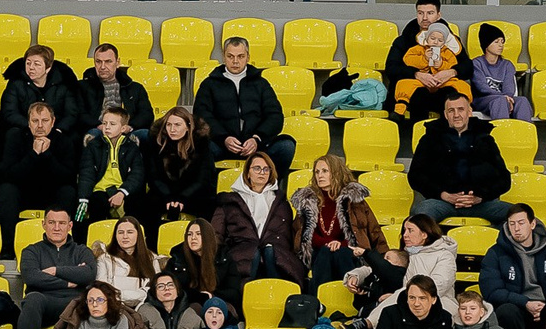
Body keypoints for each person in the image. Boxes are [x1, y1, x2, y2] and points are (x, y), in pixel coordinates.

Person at [408, 89, 513, 225]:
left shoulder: (485, 139)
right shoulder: (430, 139)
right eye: (451, 111)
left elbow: (504, 179)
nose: (456, 115)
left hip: (480, 203)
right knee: (420, 217)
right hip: (441, 202)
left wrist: (480, 196)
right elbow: (415, 176)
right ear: (445, 114)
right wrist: (444, 195)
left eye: (461, 109)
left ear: (469, 112)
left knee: (520, 216)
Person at [0, 101, 80, 241]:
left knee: (68, 192)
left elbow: (68, 178)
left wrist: (47, 155)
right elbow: (8, 175)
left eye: (45, 121)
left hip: (51, 194)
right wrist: (33, 154)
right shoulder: (15, 138)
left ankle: (64, 244)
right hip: (23, 192)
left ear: (53, 122)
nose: (40, 126)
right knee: (6, 190)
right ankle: (7, 245)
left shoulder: (64, 141)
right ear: (28, 122)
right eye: (35, 121)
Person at [194, 37, 293, 173]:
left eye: (240, 56)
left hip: (256, 145)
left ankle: (269, 185)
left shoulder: (261, 84)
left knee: (286, 146)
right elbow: (201, 115)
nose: (235, 61)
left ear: (248, 57)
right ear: (224, 57)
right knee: (197, 146)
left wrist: (257, 139)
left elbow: (275, 116)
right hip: (220, 144)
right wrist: (224, 138)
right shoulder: (209, 84)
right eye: (230, 56)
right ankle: (212, 186)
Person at [213, 152, 299, 301]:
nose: (262, 172)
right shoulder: (229, 202)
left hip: (275, 255)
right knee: (253, 253)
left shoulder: (281, 202)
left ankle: (277, 298)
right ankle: (242, 302)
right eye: (257, 168)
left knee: (270, 252)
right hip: (239, 252)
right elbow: (216, 234)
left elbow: (286, 237)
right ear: (248, 172)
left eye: (266, 169)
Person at [351, 213, 458, 326]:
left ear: (424, 234)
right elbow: (379, 268)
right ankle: (366, 325)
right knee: (395, 304)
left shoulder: (444, 255)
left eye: (410, 230)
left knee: (400, 299)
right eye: (404, 231)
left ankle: (367, 324)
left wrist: (409, 296)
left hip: (440, 301)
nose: (405, 235)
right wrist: (356, 275)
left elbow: (440, 284)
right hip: (409, 300)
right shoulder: (407, 255)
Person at [291, 154, 373, 295]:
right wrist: (328, 243)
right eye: (317, 172)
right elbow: (304, 234)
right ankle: (320, 300)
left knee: (342, 254)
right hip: (317, 252)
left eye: (325, 171)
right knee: (325, 252)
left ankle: (351, 298)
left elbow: (372, 231)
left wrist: (341, 244)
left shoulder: (353, 200)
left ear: (336, 172)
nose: (320, 176)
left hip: (348, 251)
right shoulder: (308, 200)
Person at [381, 0, 464, 127]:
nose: (425, 18)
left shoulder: (451, 40)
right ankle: (418, 135)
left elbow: (467, 67)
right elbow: (391, 68)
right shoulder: (404, 40)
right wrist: (417, 74)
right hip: (415, 90)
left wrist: (451, 72)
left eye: (430, 13)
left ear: (438, 15)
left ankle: (449, 137)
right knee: (418, 95)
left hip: (442, 88)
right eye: (420, 13)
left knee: (452, 95)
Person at [16, 208, 97, 329]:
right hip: (44, 303)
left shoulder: (82, 251)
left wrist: (55, 270)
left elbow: (89, 274)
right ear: (44, 224)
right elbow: (31, 277)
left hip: (74, 303)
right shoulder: (31, 251)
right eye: (51, 223)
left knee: (88, 303)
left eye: (62, 223)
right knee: (32, 299)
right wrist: (67, 282)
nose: (56, 228)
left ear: (70, 226)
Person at [143, 107, 219, 227]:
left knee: (210, 205)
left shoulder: (201, 145)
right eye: (169, 125)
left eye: (177, 125)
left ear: (188, 127)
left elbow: (203, 179)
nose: (172, 129)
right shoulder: (156, 143)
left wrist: (182, 198)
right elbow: (154, 176)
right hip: (164, 193)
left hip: (194, 194)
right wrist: (168, 197)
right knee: (144, 204)